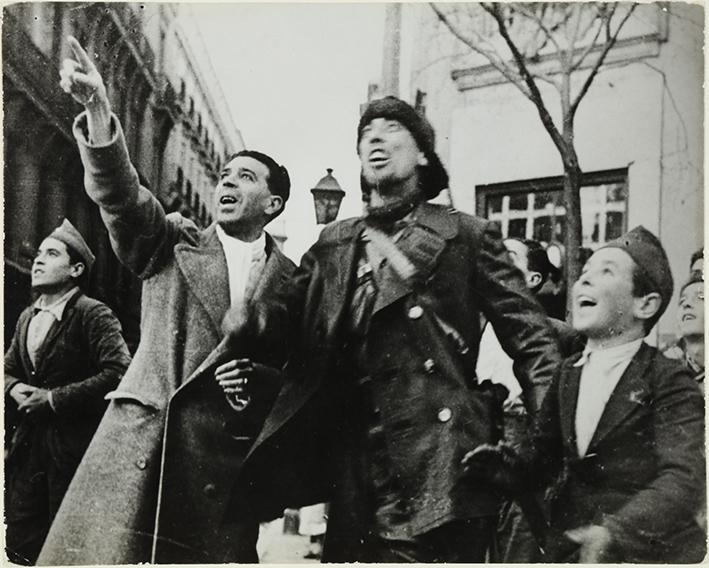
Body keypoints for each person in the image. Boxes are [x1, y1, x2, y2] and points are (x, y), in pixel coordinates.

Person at [228, 96, 562, 563]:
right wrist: (254, 319)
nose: (375, 138)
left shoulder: (466, 235)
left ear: (424, 154)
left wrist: (539, 449)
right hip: (355, 472)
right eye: (367, 133)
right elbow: (288, 317)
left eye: (391, 128)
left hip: (441, 468)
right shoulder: (335, 242)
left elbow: (534, 343)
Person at [37, 37, 296, 564]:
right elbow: (122, 199)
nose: (226, 181)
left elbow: (301, 374)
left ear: (273, 205)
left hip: (222, 474)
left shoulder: (294, 280)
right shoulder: (174, 241)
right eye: (224, 173)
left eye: (244, 177)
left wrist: (261, 383)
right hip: (144, 453)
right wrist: (100, 112)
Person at [465, 226, 706, 563]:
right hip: (578, 549)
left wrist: (614, 532)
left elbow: (684, 479)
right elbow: (545, 464)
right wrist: (512, 473)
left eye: (606, 271)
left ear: (645, 305)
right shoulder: (568, 373)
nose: (585, 281)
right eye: (585, 272)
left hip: (648, 554)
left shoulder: (667, 377)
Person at [4, 219, 131, 565]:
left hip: (75, 456)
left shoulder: (93, 314)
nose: (38, 260)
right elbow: (7, 369)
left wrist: (54, 399)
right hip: (29, 452)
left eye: (52, 253)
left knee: (70, 551)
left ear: (76, 269)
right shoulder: (28, 316)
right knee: (21, 546)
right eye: (39, 254)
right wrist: (13, 388)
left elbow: (120, 372)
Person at [476, 237, 584, 563]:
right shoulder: (467, 332)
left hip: (527, 478)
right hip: (474, 471)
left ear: (532, 280)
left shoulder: (561, 336)